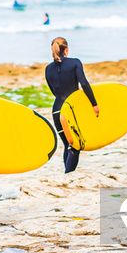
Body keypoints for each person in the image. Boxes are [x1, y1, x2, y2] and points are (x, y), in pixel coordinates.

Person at [44, 37, 99, 173]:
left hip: (57, 110)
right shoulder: (75, 63)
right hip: (71, 109)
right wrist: (94, 104)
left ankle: (67, 175)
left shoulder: (48, 69)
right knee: (75, 145)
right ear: (66, 49)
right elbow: (84, 84)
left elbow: (53, 90)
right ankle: (67, 176)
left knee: (67, 144)